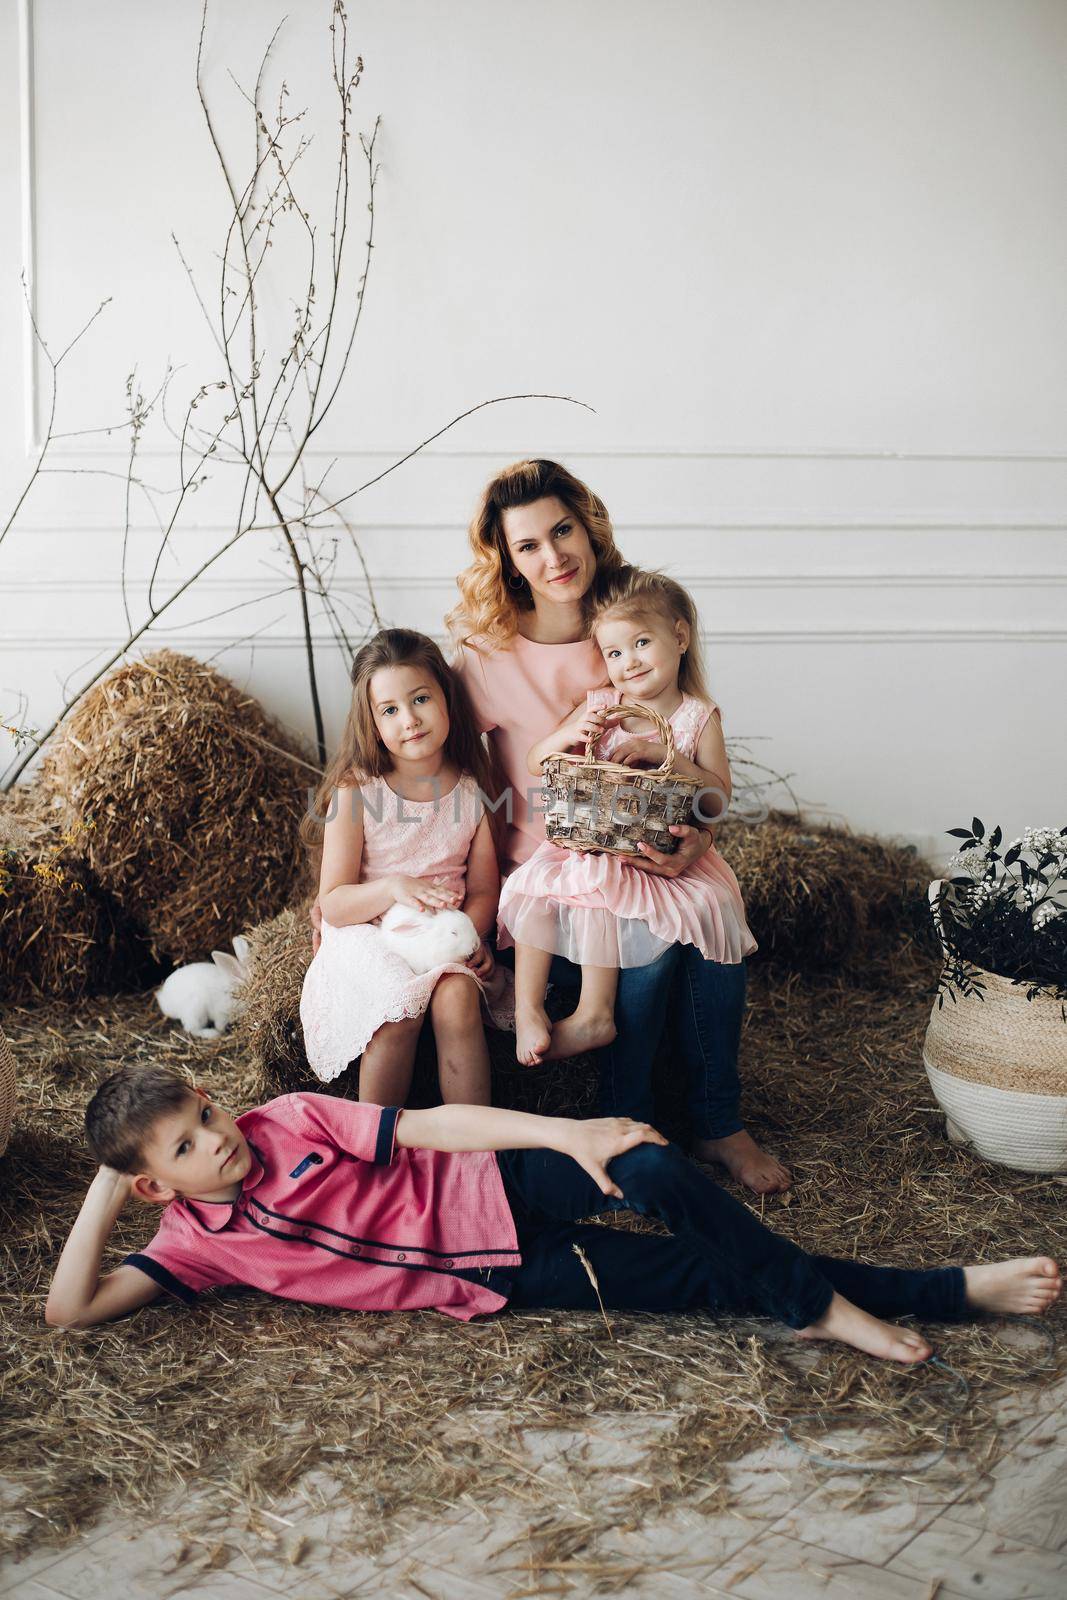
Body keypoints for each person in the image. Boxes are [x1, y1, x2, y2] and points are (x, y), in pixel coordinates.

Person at [45, 1067, 1063, 1372]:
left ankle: (822, 1307)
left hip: (500, 1184)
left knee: (650, 1163)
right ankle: (951, 1290)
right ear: (154, 1186)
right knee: (702, 1279)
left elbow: (436, 1124)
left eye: (204, 1115)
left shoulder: (294, 1120)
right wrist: (108, 1186)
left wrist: (568, 1134)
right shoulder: (189, 1244)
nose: (216, 1140)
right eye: (183, 1147)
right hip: (493, 1277)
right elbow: (70, 1312)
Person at [448, 458, 790, 1193]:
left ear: (588, 524)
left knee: (712, 917)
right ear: (505, 561)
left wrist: (698, 835)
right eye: (528, 545)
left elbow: (686, 753)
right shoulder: (486, 652)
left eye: (562, 530)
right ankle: (626, 1127)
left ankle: (717, 1123)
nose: (553, 556)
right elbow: (456, 784)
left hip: (644, 845)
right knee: (656, 942)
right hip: (550, 876)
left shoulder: (628, 618)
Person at [499, 569, 757, 1068]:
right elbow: (538, 762)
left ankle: (595, 1016)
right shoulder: (602, 706)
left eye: (641, 643)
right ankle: (528, 1009)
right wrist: (569, 732)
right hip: (590, 838)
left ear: (678, 637)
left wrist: (666, 755)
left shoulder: (698, 717)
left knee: (617, 885)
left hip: (652, 852)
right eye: (614, 653)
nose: (628, 662)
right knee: (536, 883)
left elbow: (718, 799)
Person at [299, 629, 503, 1106]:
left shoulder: (475, 791)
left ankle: (469, 1146)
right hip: (369, 934)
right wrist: (393, 887)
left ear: (447, 699)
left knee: (457, 1000)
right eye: (389, 709)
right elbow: (334, 902)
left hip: (439, 937)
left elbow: (484, 890)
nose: (409, 719)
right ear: (370, 721)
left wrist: (466, 939)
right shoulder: (357, 791)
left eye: (420, 699)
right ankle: (380, 1144)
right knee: (399, 1006)